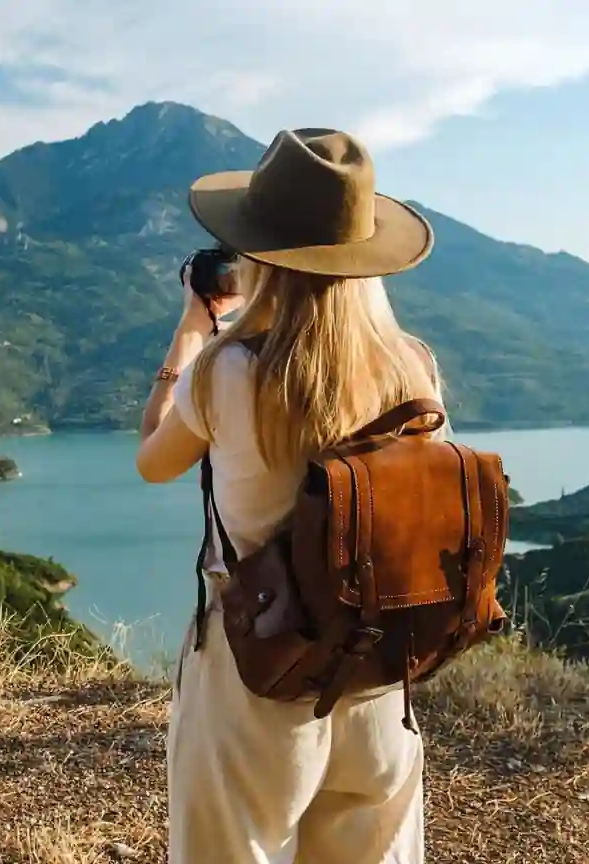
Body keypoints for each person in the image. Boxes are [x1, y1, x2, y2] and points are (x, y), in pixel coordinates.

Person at [135, 128, 446, 864]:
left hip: (257, 676)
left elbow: (154, 459)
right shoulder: (414, 369)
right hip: (375, 676)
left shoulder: (227, 369)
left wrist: (191, 330)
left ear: (257, 255)